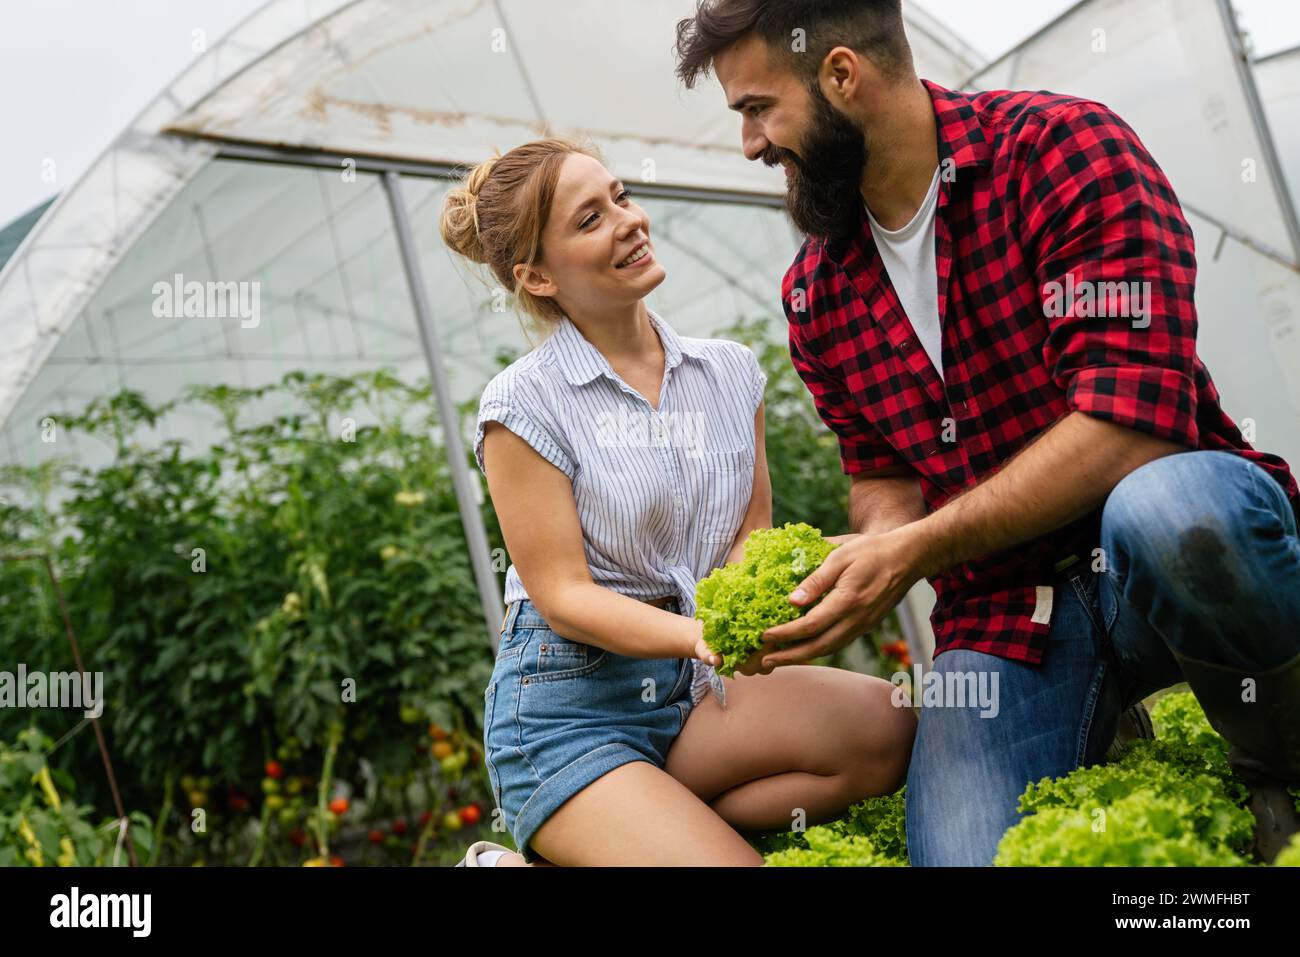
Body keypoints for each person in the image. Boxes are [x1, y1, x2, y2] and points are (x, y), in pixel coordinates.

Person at [673, 0, 1300, 864]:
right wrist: (872, 553)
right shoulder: (817, 291)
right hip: (1007, 616)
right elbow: (883, 475)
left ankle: (1276, 761)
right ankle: (1102, 722)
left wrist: (916, 549)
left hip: (1159, 549)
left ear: (840, 75)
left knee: (1174, 510)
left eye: (756, 108)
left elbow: (1130, 427)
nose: (751, 145)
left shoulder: (1060, 153)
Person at [439, 136, 918, 866]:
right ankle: (617, 826)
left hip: (694, 693)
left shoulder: (728, 373)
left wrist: (788, 592)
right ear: (537, 276)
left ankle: (602, 846)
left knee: (889, 730)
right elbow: (564, 594)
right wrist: (698, 636)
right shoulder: (525, 402)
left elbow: (746, 538)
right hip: (570, 712)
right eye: (590, 219)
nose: (629, 220)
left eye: (621, 196)